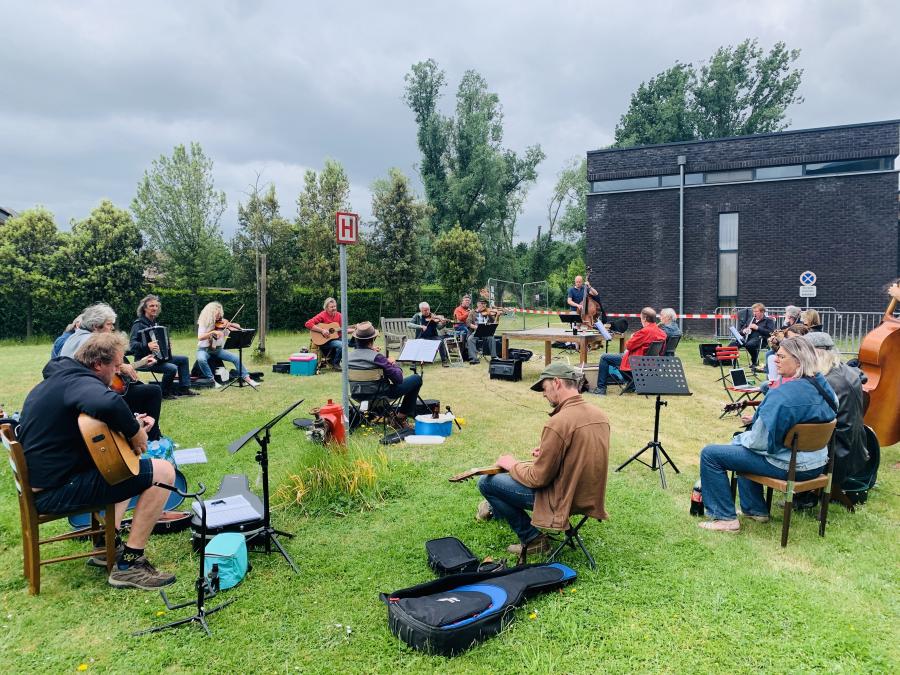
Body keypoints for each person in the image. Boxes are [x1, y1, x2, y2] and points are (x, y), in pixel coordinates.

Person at [17, 332, 177, 589]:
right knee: (164, 472)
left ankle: (105, 546)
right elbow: (108, 403)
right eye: (115, 366)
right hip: (55, 492)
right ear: (98, 365)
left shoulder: (61, 379)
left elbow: (89, 429)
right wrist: (136, 433)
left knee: (124, 467)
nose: (117, 372)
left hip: (49, 481)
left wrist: (131, 426)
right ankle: (130, 566)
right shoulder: (81, 383)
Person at [697, 337, 837, 532]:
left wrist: (738, 440)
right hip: (818, 462)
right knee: (742, 451)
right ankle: (755, 510)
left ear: (798, 360)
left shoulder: (782, 395)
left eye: (781, 356)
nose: (775, 359)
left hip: (790, 466)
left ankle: (725, 518)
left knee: (712, 454)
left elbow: (758, 442)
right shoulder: (823, 385)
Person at [476, 362, 610, 557]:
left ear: (556, 383)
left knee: (487, 483)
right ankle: (492, 510)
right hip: (588, 497)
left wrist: (512, 465)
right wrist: (552, 451)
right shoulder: (600, 415)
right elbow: (586, 454)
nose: (544, 394)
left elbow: (538, 479)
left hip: (561, 499)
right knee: (510, 476)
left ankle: (533, 540)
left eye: (545, 388)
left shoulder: (558, 422)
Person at [58, 304, 166, 440]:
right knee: (153, 391)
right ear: (96, 326)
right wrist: (122, 366)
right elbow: (102, 367)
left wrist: (134, 364)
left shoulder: (73, 338)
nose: (112, 328)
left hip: (79, 395)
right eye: (109, 324)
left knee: (137, 387)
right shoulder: (92, 341)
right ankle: (150, 436)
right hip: (92, 398)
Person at [799, 331, 868, 509]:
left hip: (836, 454)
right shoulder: (849, 372)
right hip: (856, 448)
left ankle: (803, 493)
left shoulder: (826, 383)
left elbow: (809, 422)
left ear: (815, 354)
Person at [347, 321, 423, 424]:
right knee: (416, 379)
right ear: (372, 340)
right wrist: (393, 364)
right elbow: (398, 379)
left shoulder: (348, 358)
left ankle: (384, 414)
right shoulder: (377, 358)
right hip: (380, 396)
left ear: (357, 339)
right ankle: (400, 418)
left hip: (357, 396)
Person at [129, 294, 198, 400]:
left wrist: (166, 345)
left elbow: (160, 342)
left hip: (158, 358)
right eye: (151, 306)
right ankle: (164, 393)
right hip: (144, 361)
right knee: (171, 368)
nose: (155, 308)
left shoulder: (154, 323)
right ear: (144, 308)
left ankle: (184, 389)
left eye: (156, 306)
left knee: (183, 359)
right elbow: (132, 345)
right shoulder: (138, 324)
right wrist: (147, 346)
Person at [591, 307, 666, 396]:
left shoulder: (644, 332)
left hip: (635, 361)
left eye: (641, 318)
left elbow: (629, 346)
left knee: (605, 357)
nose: (641, 320)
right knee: (618, 356)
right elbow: (662, 351)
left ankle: (601, 389)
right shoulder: (661, 333)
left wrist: (632, 337)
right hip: (649, 362)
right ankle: (631, 385)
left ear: (645, 318)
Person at [196, 302, 259, 388]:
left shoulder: (221, 324)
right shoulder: (204, 323)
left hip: (218, 350)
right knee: (201, 359)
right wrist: (212, 332)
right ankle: (212, 381)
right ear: (210, 313)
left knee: (236, 358)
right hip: (204, 349)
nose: (219, 317)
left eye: (220, 314)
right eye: (217, 315)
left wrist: (230, 325)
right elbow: (200, 337)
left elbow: (236, 328)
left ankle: (248, 379)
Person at [729, 302, 776, 368]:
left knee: (750, 345)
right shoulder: (751, 319)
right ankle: (728, 361)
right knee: (733, 344)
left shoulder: (769, 320)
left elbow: (770, 332)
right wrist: (744, 331)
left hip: (761, 340)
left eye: (756, 311)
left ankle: (754, 362)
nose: (754, 313)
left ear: (762, 312)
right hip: (747, 339)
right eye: (753, 311)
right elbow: (741, 332)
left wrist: (757, 328)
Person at [305, 297, 344, 368]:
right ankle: (335, 363)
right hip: (325, 341)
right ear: (326, 308)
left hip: (337, 338)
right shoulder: (323, 315)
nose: (334, 308)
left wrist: (354, 330)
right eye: (331, 307)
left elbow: (342, 329)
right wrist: (322, 330)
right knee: (342, 345)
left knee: (355, 341)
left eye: (335, 306)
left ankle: (358, 363)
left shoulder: (339, 315)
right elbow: (308, 324)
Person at [408, 302, 449, 366]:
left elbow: (439, 328)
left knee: (441, 341)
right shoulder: (417, 316)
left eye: (428, 309)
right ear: (421, 310)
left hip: (432, 336)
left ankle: (444, 361)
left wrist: (443, 323)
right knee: (417, 343)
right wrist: (420, 326)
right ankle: (414, 362)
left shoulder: (433, 316)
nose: (427, 311)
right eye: (425, 310)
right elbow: (409, 324)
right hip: (421, 336)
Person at [466, 298, 499, 364]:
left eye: (485, 304)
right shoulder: (472, 312)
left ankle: (494, 357)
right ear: (478, 304)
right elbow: (468, 323)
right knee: (470, 339)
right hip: (477, 331)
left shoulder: (488, 312)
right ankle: (473, 358)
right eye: (482, 303)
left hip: (486, 331)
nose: (484, 305)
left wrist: (497, 316)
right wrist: (477, 327)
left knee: (491, 337)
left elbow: (494, 323)